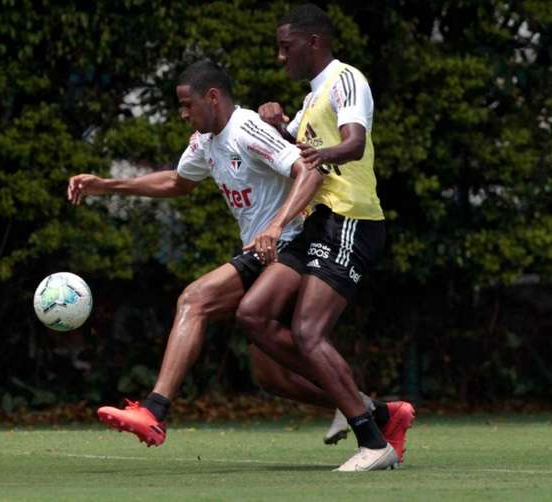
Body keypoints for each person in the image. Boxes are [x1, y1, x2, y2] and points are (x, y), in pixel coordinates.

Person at [67, 60, 387, 451]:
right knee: (272, 378)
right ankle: (376, 411)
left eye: (188, 105)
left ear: (213, 97)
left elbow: (309, 172)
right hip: (262, 249)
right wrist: (107, 185)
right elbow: (176, 181)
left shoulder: (247, 129)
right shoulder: (205, 141)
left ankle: (154, 410)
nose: (183, 114)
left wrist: (275, 227)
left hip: (290, 245)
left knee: (195, 299)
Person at [235, 4, 414, 471]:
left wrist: (318, 155)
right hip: (318, 224)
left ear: (312, 43)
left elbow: (353, 143)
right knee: (252, 314)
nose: (280, 56)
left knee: (308, 331)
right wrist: (277, 125)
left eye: (286, 46)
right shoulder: (311, 100)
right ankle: (372, 408)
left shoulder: (346, 79)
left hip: (350, 219)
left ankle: (373, 441)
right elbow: (296, 151)